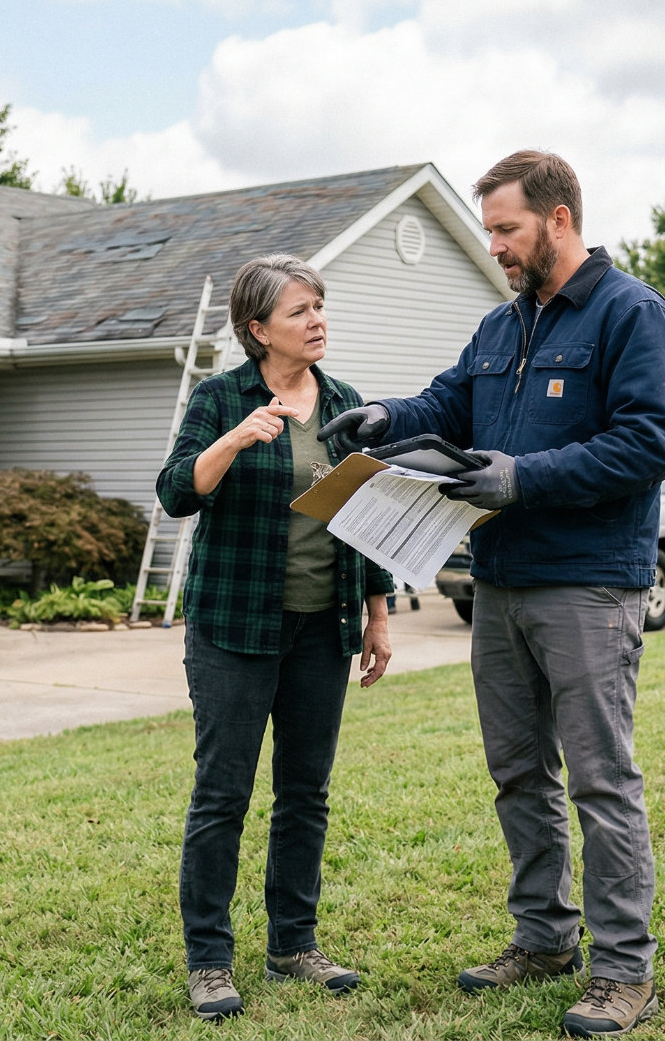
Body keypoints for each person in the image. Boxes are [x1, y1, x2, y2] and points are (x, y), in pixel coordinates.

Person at [320, 150, 665, 1038]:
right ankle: (544, 938)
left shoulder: (632, 314)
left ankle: (624, 971)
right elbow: (449, 404)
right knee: (518, 772)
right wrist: (386, 417)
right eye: (488, 231)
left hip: (589, 585)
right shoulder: (499, 326)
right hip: (500, 584)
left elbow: (650, 443)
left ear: (559, 219)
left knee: (600, 780)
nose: (494, 247)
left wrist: (524, 477)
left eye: (506, 229)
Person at [157, 253, 396, 1022]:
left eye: (319, 306)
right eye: (300, 311)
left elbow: (365, 513)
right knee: (222, 794)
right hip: (235, 626)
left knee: (305, 793)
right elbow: (175, 493)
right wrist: (233, 440)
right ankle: (209, 960)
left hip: (324, 626)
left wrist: (377, 614)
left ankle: (294, 943)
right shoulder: (221, 397)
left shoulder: (346, 402)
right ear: (258, 329)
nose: (317, 320)